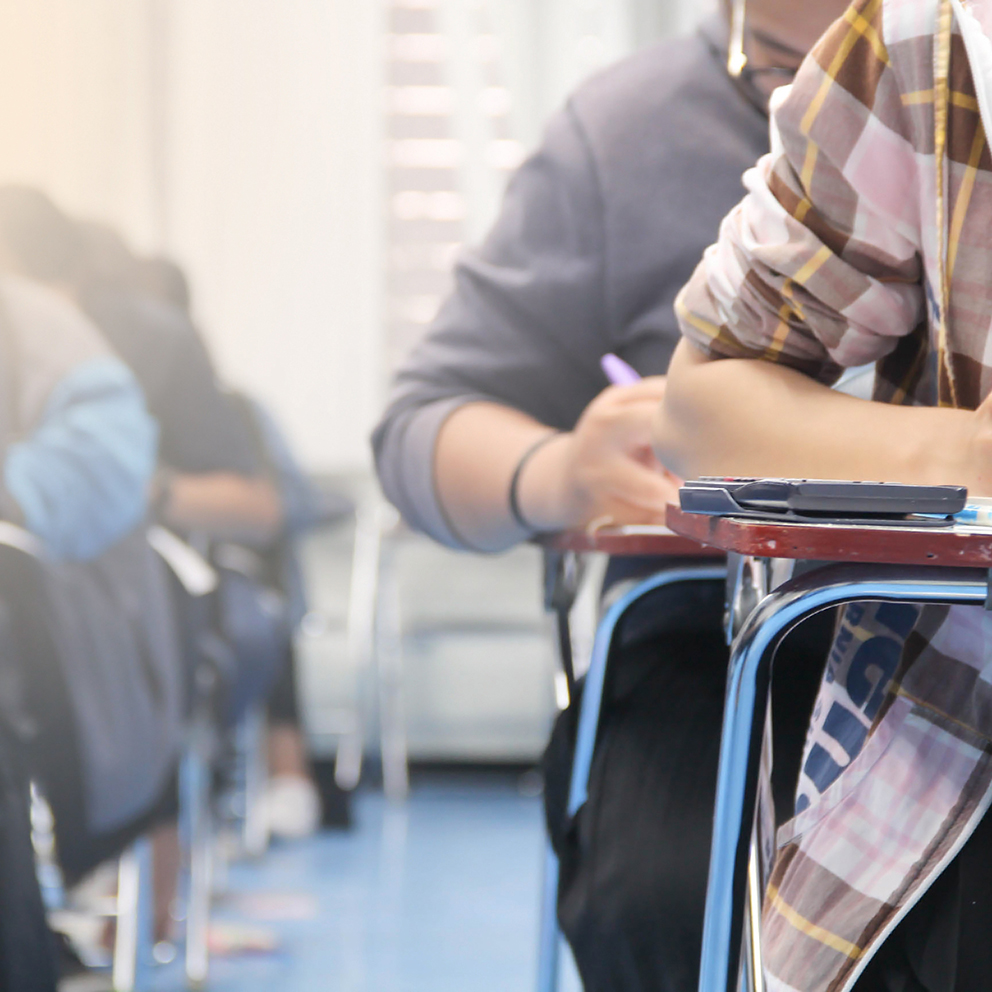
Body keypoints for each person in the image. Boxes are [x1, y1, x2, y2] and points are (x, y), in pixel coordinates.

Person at [373, 1, 849, 988]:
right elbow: (423, 418)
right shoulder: (625, 133)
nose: (833, 113)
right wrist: (563, 470)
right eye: (778, 70)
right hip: (709, 643)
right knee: (671, 892)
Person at [657, 0, 992, 988]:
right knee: (653, 882)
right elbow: (699, 398)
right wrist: (965, 451)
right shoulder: (927, 47)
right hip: (952, 716)